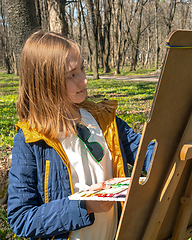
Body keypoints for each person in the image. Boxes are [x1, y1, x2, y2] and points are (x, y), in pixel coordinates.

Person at [7, 30, 155, 240]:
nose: (84, 80)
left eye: (82, 69)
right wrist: (84, 206)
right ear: (46, 81)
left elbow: (146, 151)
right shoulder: (31, 139)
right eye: (71, 75)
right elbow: (21, 218)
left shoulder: (103, 119)